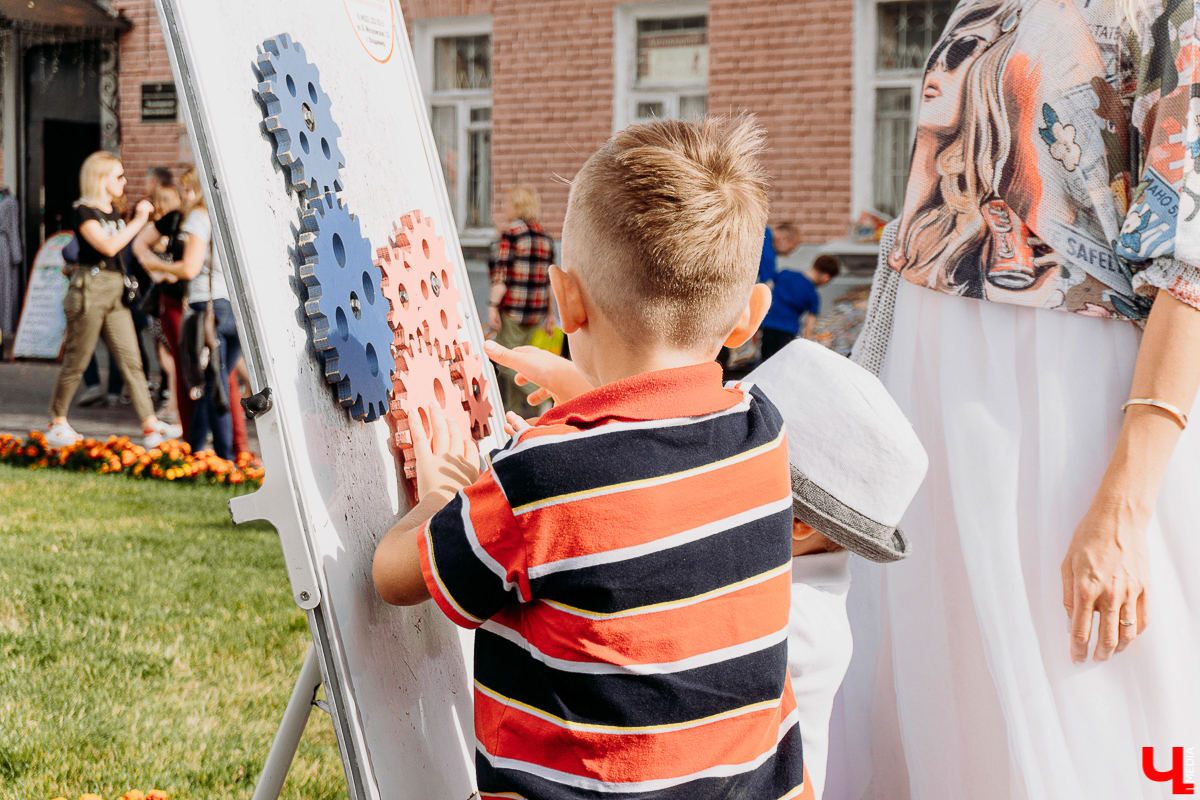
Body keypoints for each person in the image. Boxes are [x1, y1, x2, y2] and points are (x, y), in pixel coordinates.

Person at [374, 115, 813, 799]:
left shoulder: (541, 478)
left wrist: (439, 498)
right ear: (749, 315)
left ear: (564, 300)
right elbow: (653, 459)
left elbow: (393, 576)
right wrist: (584, 397)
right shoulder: (763, 434)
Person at [847, 0, 1200, 797]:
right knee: (948, 698)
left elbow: (1194, 261)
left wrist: (1126, 505)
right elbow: (921, 223)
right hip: (933, 399)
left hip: (1070, 395)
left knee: (1084, 700)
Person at [46, 152, 181, 449]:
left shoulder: (114, 212)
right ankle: (57, 421)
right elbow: (108, 246)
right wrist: (139, 221)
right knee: (77, 359)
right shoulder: (84, 211)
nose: (125, 181)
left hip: (115, 290)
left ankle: (149, 424)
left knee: (131, 359)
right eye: (119, 176)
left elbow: (126, 247)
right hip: (90, 288)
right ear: (101, 179)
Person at [142, 166, 240, 460]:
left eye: (188, 188)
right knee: (216, 380)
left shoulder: (199, 216)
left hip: (207, 306)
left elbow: (189, 268)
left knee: (214, 385)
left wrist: (156, 265)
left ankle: (225, 460)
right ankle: (196, 448)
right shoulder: (229, 212)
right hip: (234, 308)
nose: (183, 194)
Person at [487, 184, 555, 417]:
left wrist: (492, 306)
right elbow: (549, 280)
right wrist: (550, 315)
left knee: (507, 362)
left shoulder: (512, 233)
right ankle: (513, 416)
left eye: (508, 203)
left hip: (513, 311)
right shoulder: (545, 237)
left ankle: (545, 396)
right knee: (520, 359)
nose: (505, 207)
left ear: (516, 205)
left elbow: (502, 276)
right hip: (535, 313)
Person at [760, 255, 840, 361]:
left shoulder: (784, 273)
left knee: (766, 363)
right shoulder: (813, 295)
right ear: (826, 277)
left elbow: (765, 293)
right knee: (783, 365)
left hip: (767, 326)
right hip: (788, 331)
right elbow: (809, 328)